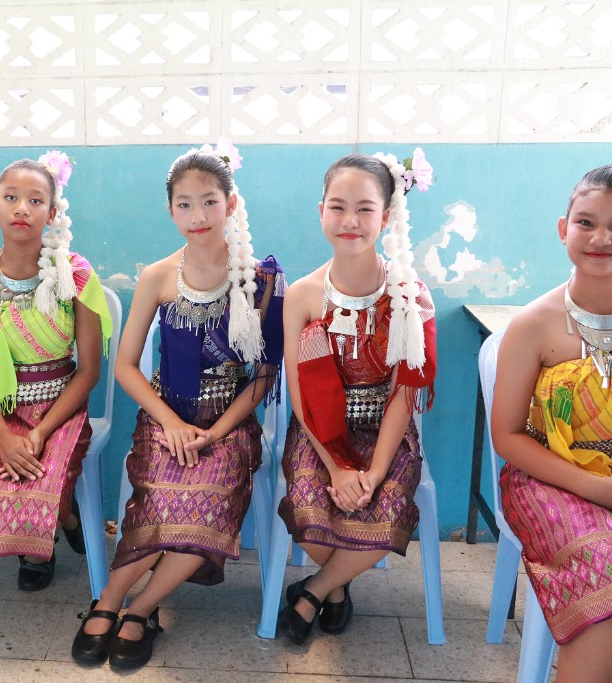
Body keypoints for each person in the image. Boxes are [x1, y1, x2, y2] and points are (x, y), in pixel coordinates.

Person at [71, 141, 285, 672]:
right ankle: (107, 600)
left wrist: (216, 433)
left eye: (210, 201)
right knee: (162, 497)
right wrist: (169, 422)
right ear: (170, 210)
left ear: (231, 204)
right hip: (166, 417)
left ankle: (139, 608)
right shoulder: (158, 277)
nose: (198, 215)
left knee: (206, 503)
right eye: (184, 204)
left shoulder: (263, 280)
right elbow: (125, 367)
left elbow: (264, 376)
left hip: (229, 424)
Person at [276, 152, 437, 645]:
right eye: (338, 207)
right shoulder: (303, 295)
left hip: (388, 433)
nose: (350, 220)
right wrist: (338, 467)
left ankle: (314, 590)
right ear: (321, 210)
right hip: (319, 432)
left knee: (385, 510)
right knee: (309, 507)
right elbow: (299, 395)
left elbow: (404, 395)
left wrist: (374, 470)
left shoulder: (410, 295)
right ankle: (337, 590)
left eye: (365, 209)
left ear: (386, 217)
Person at [491, 163, 612, 683]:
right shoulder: (533, 324)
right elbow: (507, 436)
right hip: (547, 477)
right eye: (586, 223)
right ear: (563, 229)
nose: (601, 238)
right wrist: (598, 488)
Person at [0, 151, 111, 592]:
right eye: (11, 197)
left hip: (60, 409)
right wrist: (4, 437)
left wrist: (41, 430)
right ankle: (64, 522)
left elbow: (89, 371)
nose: (22, 208)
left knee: (40, 475)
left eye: (36, 200)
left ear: (52, 213)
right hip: (0, 410)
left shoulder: (75, 276)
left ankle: (43, 541)